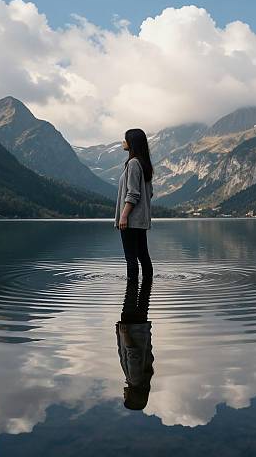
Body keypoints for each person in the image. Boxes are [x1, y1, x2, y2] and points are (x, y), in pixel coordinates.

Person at [114, 128, 154, 282]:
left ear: (132, 143)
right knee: (143, 255)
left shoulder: (133, 163)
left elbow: (132, 194)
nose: (123, 142)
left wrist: (123, 216)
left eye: (125, 139)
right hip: (141, 220)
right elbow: (149, 193)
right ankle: (146, 292)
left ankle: (131, 296)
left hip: (130, 220)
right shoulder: (145, 165)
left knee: (131, 258)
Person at [115, 277, 154, 410]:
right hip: (131, 329)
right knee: (130, 294)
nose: (124, 394)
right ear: (132, 396)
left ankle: (142, 279)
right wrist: (124, 334)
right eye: (125, 397)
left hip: (141, 329)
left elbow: (147, 351)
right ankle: (133, 277)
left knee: (144, 294)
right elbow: (133, 355)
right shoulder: (135, 379)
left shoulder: (143, 379)